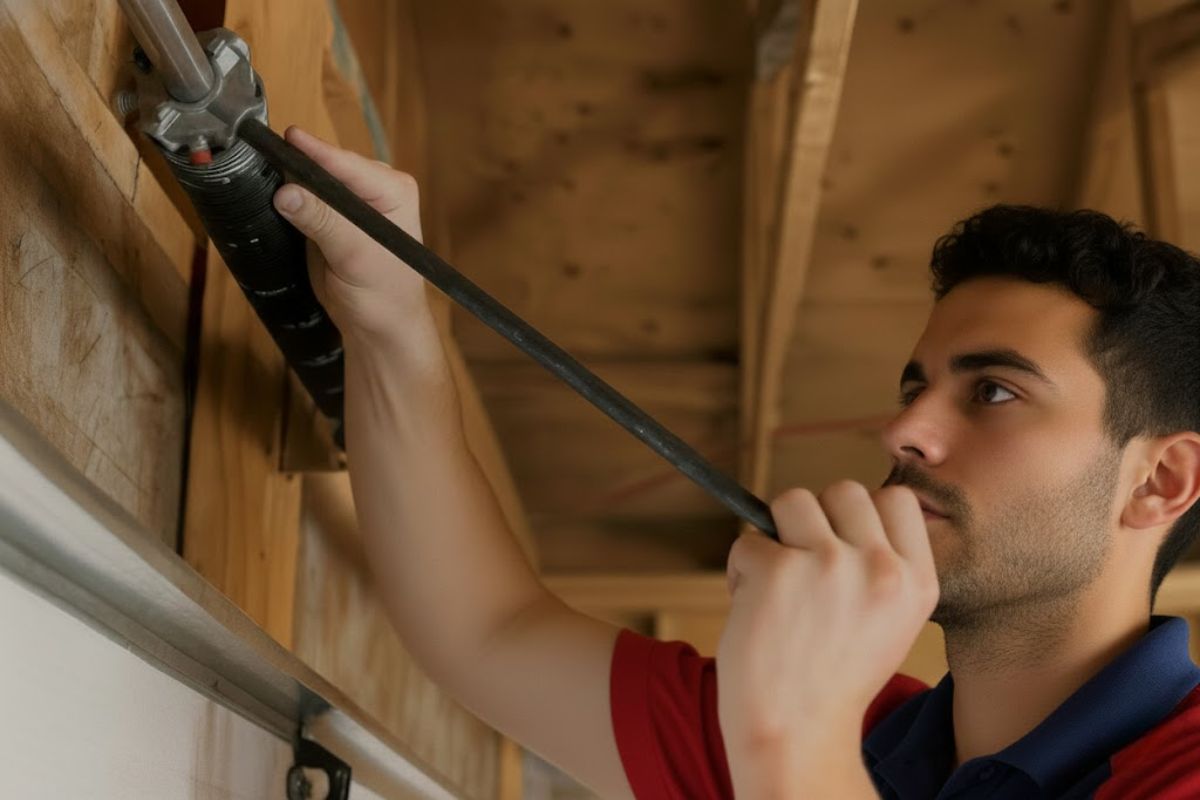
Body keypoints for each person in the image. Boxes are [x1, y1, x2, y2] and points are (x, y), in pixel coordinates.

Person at [272, 125, 1200, 799]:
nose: (905, 431)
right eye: (916, 387)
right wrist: (388, 318)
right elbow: (485, 630)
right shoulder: (867, 733)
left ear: (1159, 481)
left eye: (993, 391)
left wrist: (789, 732)